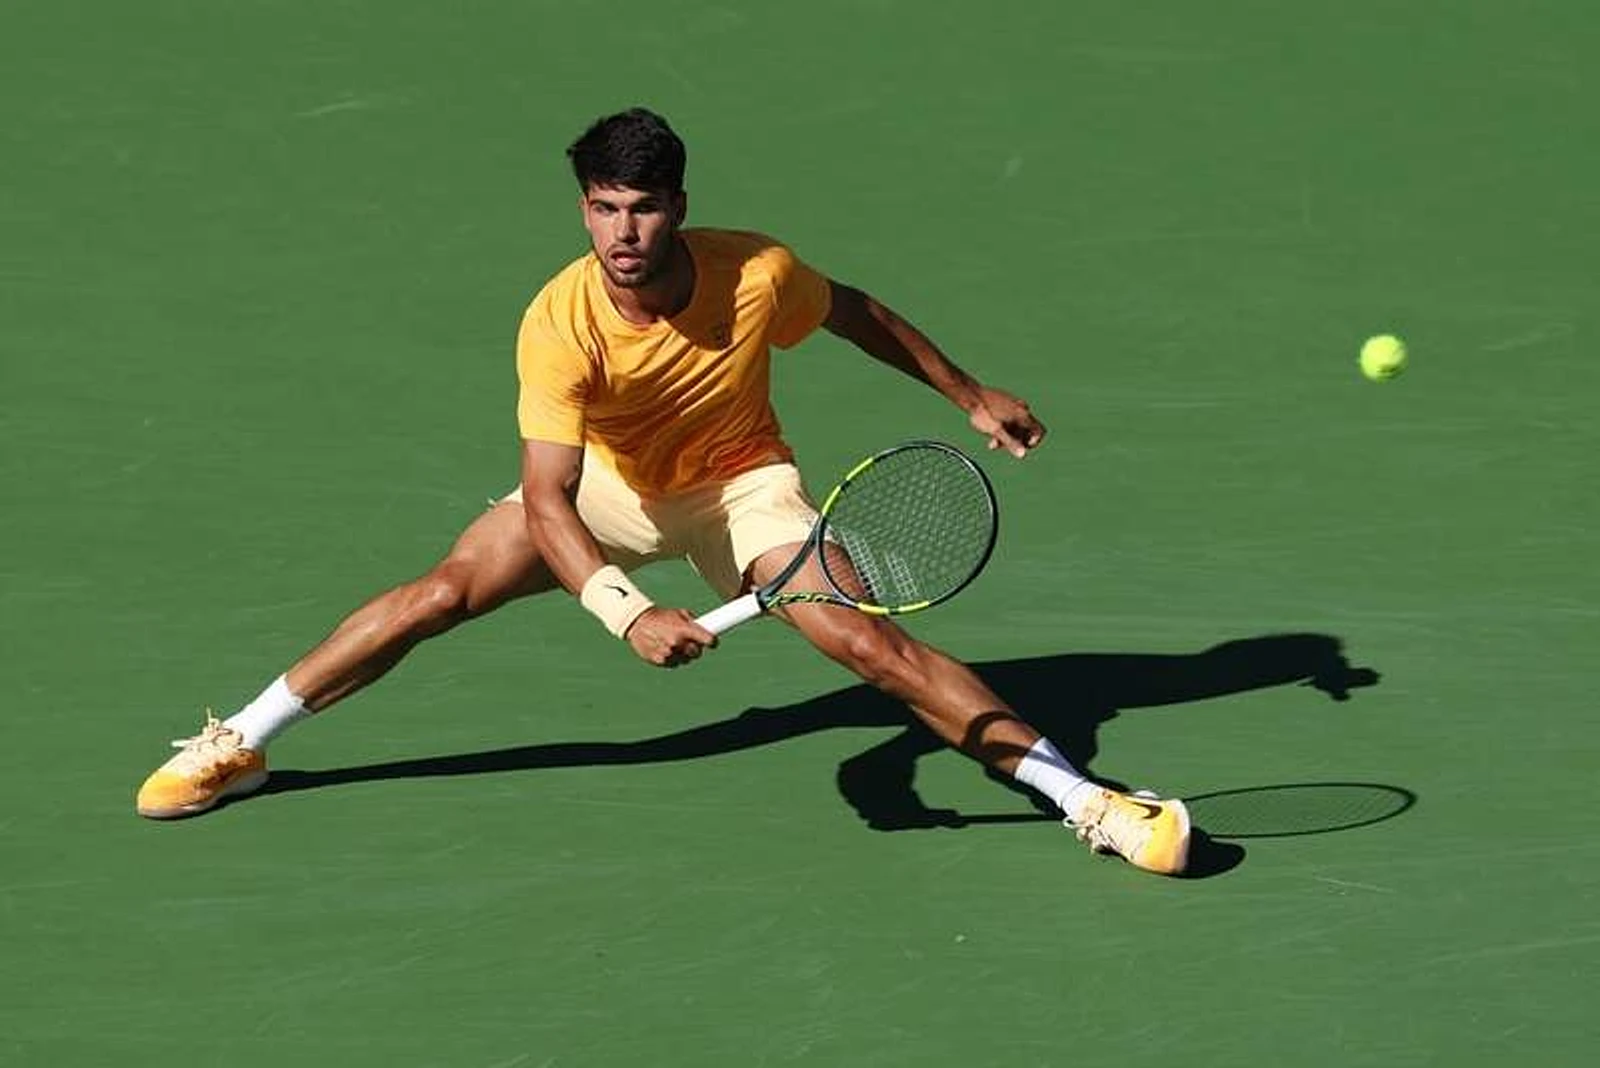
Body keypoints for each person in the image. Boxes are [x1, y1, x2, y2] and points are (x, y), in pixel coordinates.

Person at [135, 108, 1191, 875]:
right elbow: (547, 499)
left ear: (678, 206)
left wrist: (967, 393)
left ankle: (1091, 801)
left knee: (871, 647)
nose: (623, 234)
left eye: (643, 209)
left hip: (743, 491)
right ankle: (242, 742)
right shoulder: (559, 324)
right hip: (607, 491)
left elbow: (851, 311)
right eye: (603, 210)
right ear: (584, 209)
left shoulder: (757, 274)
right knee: (443, 592)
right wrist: (626, 611)